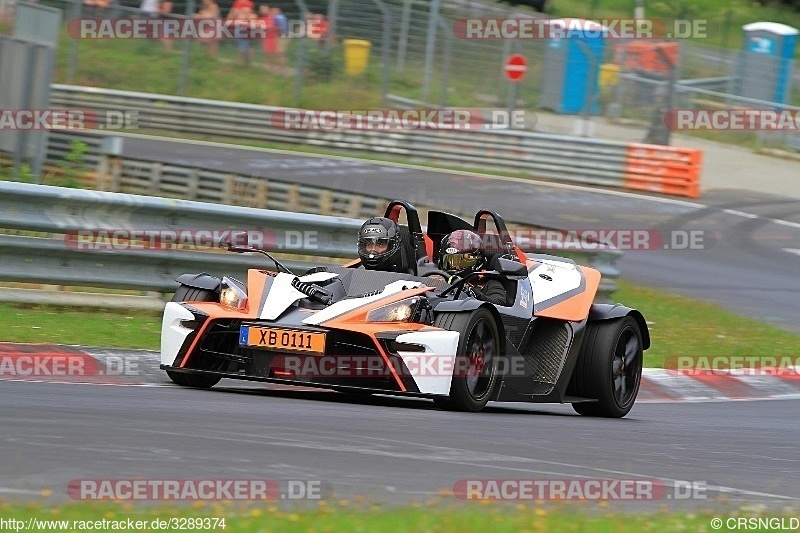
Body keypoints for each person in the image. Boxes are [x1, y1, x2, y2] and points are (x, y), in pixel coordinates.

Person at [439, 229, 508, 306]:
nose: (454, 266)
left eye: (461, 261)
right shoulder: (439, 277)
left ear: (476, 260)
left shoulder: (489, 284)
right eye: (449, 261)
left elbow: (499, 303)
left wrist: (469, 291)